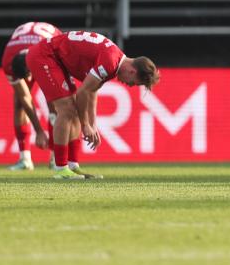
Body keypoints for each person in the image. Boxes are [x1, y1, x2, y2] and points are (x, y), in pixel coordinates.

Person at [25, 30, 160, 180]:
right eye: (134, 83)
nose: (129, 85)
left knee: (74, 110)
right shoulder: (111, 61)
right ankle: (61, 169)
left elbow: (91, 91)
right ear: (132, 71)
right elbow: (83, 92)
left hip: (55, 59)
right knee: (67, 109)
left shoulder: (114, 60)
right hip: (44, 56)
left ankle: (72, 166)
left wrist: (92, 123)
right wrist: (85, 125)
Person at [1, 22, 60, 170]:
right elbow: (25, 98)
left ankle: (56, 157)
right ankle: (25, 159)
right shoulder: (8, 61)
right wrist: (39, 131)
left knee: (55, 103)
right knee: (19, 102)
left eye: (29, 75)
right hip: (27, 45)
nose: (29, 79)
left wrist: (40, 132)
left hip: (52, 49)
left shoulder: (48, 54)